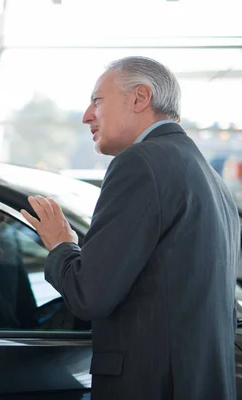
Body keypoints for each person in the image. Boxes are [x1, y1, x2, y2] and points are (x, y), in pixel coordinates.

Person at [21, 56, 239, 399]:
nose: (86, 116)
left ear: (140, 98)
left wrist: (61, 244)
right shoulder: (211, 180)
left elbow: (89, 296)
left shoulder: (139, 163)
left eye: (97, 100)